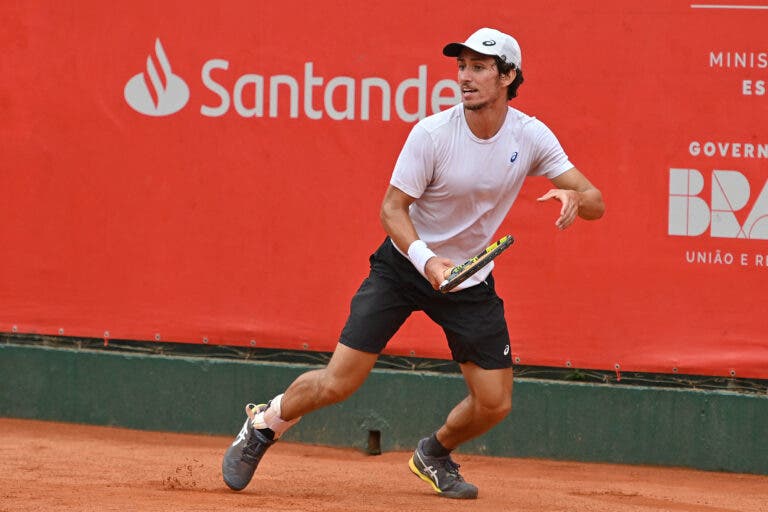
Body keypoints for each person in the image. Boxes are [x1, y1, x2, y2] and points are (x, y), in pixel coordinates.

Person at [222, 27, 605, 500]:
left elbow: (595, 200)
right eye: (462, 66)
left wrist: (575, 196)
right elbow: (391, 210)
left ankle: (435, 452)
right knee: (339, 382)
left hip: (469, 280)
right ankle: (264, 424)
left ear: (508, 76)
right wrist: (428, 262)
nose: (465, 77)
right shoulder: (432, 134)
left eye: (479, 68)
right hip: (405, 266)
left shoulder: (530, 135)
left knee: (494, 403)